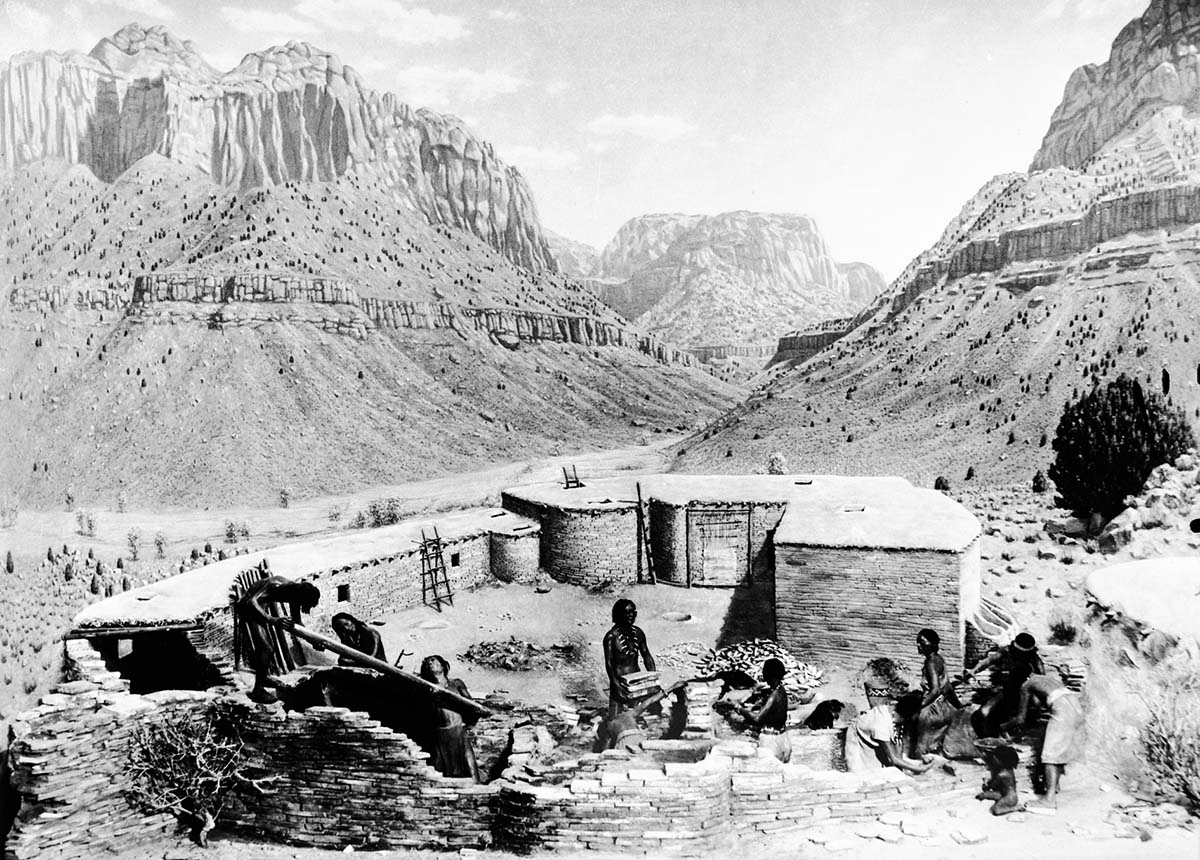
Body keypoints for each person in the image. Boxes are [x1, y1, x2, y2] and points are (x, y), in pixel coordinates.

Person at [1002, 673, 1084, 811]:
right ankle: (1054, 786)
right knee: (1059, 749)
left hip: (1062, 708)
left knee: (1049, 754)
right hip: (1076, 706)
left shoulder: (1026, 685)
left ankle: (1049, 801)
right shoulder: (1047, 680)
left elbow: (1021, 719)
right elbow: (1038, 706)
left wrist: (1003, 727)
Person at [235, 574, 320, 704]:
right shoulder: (275, 584)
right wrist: (273, 620)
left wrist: (313, 641)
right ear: (301, 597)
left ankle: (264, 678)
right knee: (267, 648)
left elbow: (297, 623)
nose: (303, 607)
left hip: (261, 606)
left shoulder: (295, 595)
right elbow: (252, 601)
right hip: (249, 606)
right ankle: (258, 690)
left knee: (267, 648)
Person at [845, 662, 936, 776]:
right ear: (911, 715)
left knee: (884, 769)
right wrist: (919, 769)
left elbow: (898, 751)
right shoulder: (881, 726)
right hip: (856, 738)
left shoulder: (897, 712)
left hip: (873, 734)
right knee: (862, 773)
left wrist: (915, 764)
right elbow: (893, 758)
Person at [964, 632, 1045, 737]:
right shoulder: (1006, 651)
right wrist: (974, 671)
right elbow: (989, 661)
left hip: (1026, 691)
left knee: (1035, 708)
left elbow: (1041, 677)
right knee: (983, 713)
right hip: (1007, 690)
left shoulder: (1034, 658)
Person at [419, 655, 481, 782]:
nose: (430, 663)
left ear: (443, 666)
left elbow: (472, 706)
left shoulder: (456, 684)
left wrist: (470, 724)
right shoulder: (426, 687)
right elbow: (424, 713)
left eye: (433, 661)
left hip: (458, 732)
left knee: (470, 769)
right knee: (440, 773)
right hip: (440, 734)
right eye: (428, 663)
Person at [910, 628, 963, 756]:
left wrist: (918, 706)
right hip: (943, 709)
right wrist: (958, 706)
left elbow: (935, 690)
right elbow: (948, 688)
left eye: (922, 642)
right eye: (918, 642)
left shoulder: (931, 663)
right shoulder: (939, 659)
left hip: (932, 711)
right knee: (936, 750)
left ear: (932, 644)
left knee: (922, 751)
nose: (918, 645)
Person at [599, 680, 688, 753]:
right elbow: (648, 702)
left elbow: (605, 750)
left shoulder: (610, 725)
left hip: (626, 743)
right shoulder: (629, 714)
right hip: (639, 740)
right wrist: (671, 688)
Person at [603, 598, 656, 717]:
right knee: (615, 720)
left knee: (647, 715)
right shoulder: (611, 637)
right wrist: (617, 687)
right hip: (619, 685)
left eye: (633, 612)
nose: (631, 615)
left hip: (637, 682)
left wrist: (653, 679)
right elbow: (609, 664)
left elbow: (647, 656)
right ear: (618, 615)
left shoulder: (638, 633)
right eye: (627, 613)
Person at [737, 658, 792, 762]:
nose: (762, 674)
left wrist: (738, 708)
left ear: (769, 674)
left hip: (771, 742)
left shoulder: (774, 696)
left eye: (764, 671)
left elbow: (757, 718)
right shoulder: (781, 690)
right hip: (783, 738)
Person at [976, 743, 1023, 816]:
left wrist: (986, 785)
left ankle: (1016, 808)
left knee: (996, 810)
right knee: (983, 795)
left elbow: (993, 786)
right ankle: (1000, 801)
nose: (994, 760)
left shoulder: (1002, 775)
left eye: (996, 759)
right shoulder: (1009, 769)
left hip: (1010, 798)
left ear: (1002, 761)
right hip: (1003, 793)